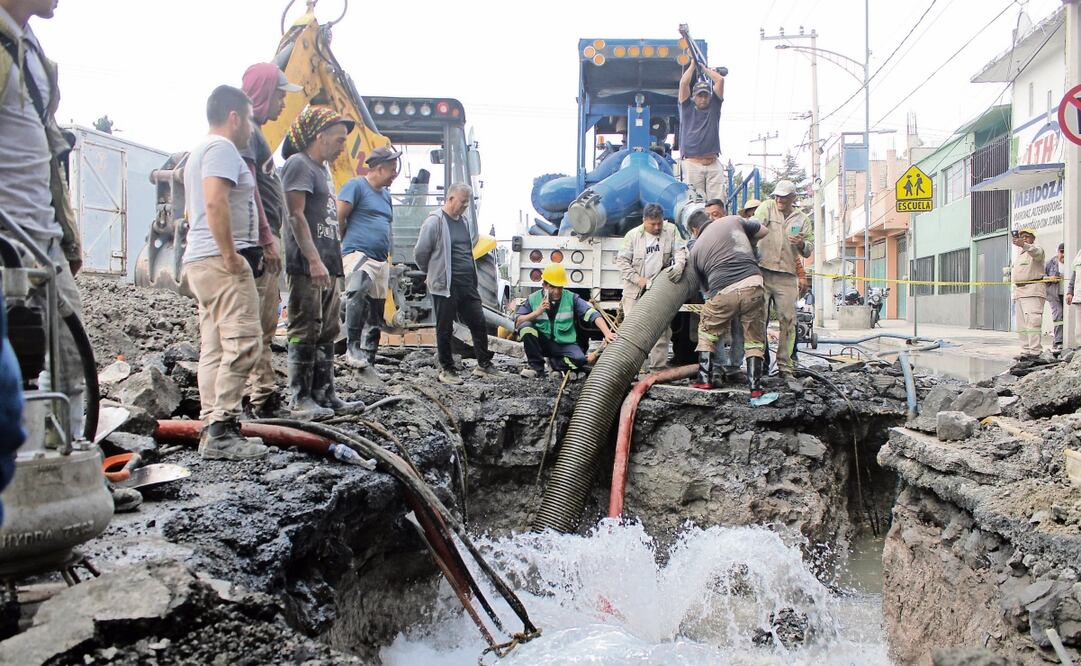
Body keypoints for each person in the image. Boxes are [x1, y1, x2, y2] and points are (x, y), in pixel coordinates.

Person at [0, 0, 85, 440]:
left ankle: (63, 472)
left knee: (71, 363)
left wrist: (66, 236)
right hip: (7, 241)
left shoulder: (29, 48)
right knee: (11, 374)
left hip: (42, 240)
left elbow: (48, 159)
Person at [181, 85, 267, 461]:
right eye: (249, 118)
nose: (251, 126)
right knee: (244, 341)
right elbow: (215, 200)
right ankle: (222, 429)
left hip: (200, 260)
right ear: (234, 117)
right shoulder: (221, 149)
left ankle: (211, 422)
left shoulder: (198, 151)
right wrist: (231, 256)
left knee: (214, 345)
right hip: (220, 262)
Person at [281, 107, 354, 415]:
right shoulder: (299, 165)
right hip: (307, 265)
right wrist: (312, 260)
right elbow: (295, 215)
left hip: (327, 262)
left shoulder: (321, 170)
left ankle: (325, 393)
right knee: (304, 327)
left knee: (327, 330)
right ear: (319, 137)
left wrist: (330, 261)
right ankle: (300, 398)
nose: (342, 147)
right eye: (338, 140)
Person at [239, 63, 300, 419]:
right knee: (255, 325)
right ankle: (256, 399)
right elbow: (250, 190)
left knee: (264, 324)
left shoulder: (256, 135)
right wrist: (266, 238)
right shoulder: (247, 134)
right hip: (258, 245)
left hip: (263, 242)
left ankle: (262, 394)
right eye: (279, 95)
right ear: (263, 93)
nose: (282, 104)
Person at [414, 183, 501, 385]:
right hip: (445, 285)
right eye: (462, 202)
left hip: (467, 284)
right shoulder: (434, 222)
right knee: (444, 328)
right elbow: (420, 253)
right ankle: (447, 369)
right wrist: (433, 272)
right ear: (451, 198)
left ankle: (484, 365)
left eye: (466, 204)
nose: (464, 207)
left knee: (478, 323)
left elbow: (468, 250)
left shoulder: (464, 222)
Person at [688, 212, 770, 396]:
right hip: (754, 284)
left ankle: (704, 380)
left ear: (694, 231)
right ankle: (755, 387)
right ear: (710, 219)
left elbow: (707, 293)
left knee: (707, 331)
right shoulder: (732, 220)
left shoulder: (695, 250)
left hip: (723, 291)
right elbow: (763, 231)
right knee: (754, 339)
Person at [337, 146, 400, 370]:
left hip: (381, 259)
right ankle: (352, 347)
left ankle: (369, 357)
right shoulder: (356, 187)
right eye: (392, 170)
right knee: (356, 291)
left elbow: (387, 226)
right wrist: (345, 246)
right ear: (379, 168)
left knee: (376, 311)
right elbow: (339, 217)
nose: (395, 174)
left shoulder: (385, 196)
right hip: (359, 253)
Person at [614, 203, 687, 371]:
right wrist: (639, 280)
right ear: (644, 221)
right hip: (635, 290)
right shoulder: (632, 236)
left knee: (661, 329)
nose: (656, 227)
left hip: (659, 289)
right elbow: (622, 262)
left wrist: (679, 265)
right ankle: (633, 369)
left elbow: (680, 250)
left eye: (659, 223)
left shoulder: (671, 230)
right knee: (633, 331)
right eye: (652, 224)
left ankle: (658, 368)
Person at [753, 180, 813, 375]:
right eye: (777, 196)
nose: (779, 199)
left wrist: (802, 244)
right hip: (763, 271)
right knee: (758, 319)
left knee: (788, 320)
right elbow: (755, 224)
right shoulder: (766, 208)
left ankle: (785, 364)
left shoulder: (802, 219)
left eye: (784, 197)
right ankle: (759, 361)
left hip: (787, 276)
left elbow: (809, 250)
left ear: (792, 198)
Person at [516, 263, 617, 379]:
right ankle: (537, 368)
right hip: (542, 342)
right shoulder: (533, 299)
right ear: (544, 285)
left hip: (563, 344)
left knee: (580, 360)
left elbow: (593, 314)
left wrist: (607, 333)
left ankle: (556, 364)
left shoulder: (571, 298)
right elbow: (518, 321)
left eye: (560, 287)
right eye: (552, 287)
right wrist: (537, 313)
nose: (557, 291)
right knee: (526, 327)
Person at [677, 61, 726, 200]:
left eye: (706, 95)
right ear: (694, 96)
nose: (703, 98)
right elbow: (683, 84)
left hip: (713, 163)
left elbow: (720, 80)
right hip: (693, 164)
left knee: (718, 203)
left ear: (710, 96)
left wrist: (704, 69)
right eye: (700, 95)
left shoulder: (714, 106)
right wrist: (693, 65)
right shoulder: (687, 107)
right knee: (695, 203)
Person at [1010, 228, 1046, 359]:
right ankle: (1025, 351)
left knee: (1033, 323)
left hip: (1032, 290)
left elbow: (1036, 252)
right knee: (1022, 325)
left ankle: (1035, 352)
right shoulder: (1019, 255)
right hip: (1020, 292)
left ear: (1033, 238)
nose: (1023, 238)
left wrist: (1024, 245)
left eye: (1026, 236)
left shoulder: (1037, 251)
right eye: (1021, 236)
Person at [1044, 242, 1065, 351]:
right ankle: (1058, 341)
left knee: (1065, 317)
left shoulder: (1071, 262)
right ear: (1057, 252)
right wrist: (1050, 278)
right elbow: (1041, 276)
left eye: (1065, 252)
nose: (1063, 255)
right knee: (1059, 315)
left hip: (1066, 295)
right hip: (1053, 294)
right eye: (1061, 252)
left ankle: (1060, 339)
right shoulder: (1050, 263)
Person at [1065, 245, 1081, 346]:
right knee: (1079, 326)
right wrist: (1070, 292)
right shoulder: (1079, 254)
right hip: (1079, 296)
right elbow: (1074, 275)